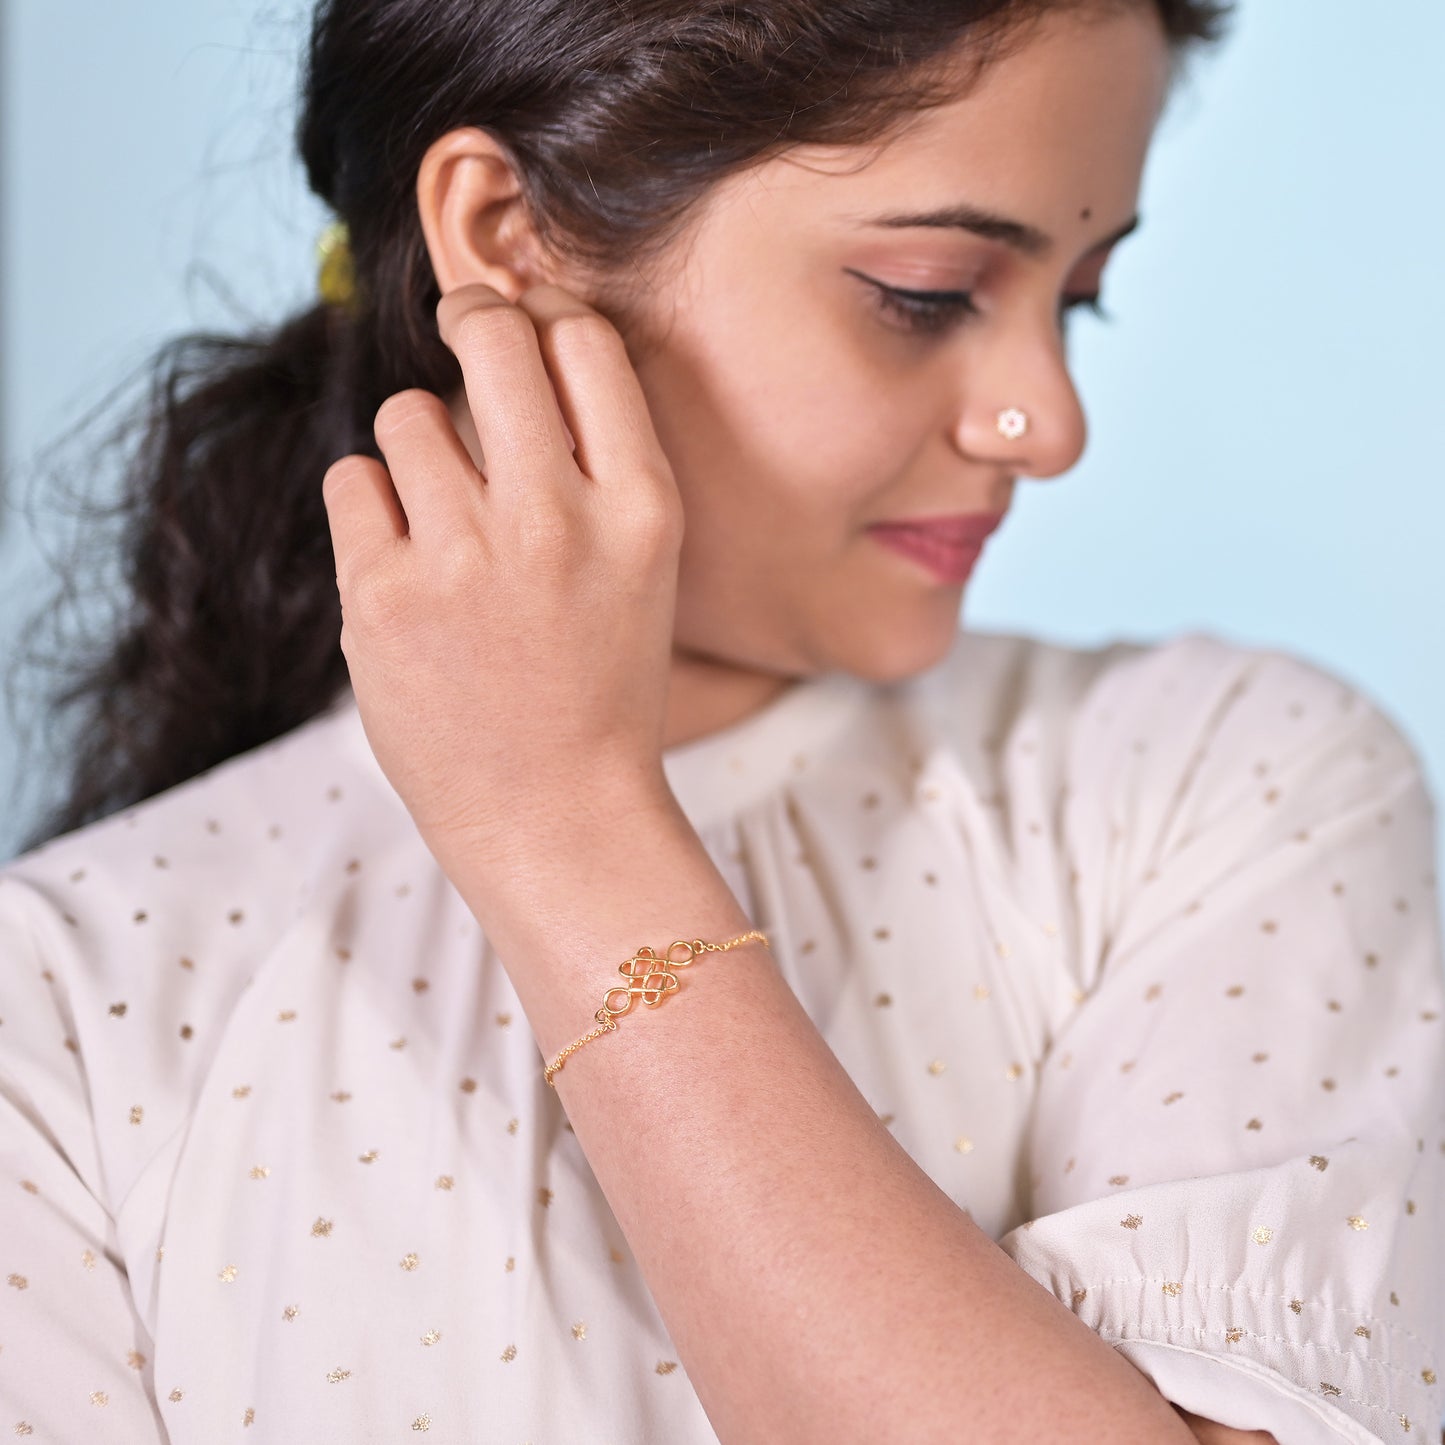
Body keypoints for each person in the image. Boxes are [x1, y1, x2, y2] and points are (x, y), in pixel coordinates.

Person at [1, 0, 1440, 1440]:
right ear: (504, 233)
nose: (1047, 424)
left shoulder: (1213, 777)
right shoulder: (64, 1005)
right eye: (926, 292)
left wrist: (569, 834)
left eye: (1077, 299)